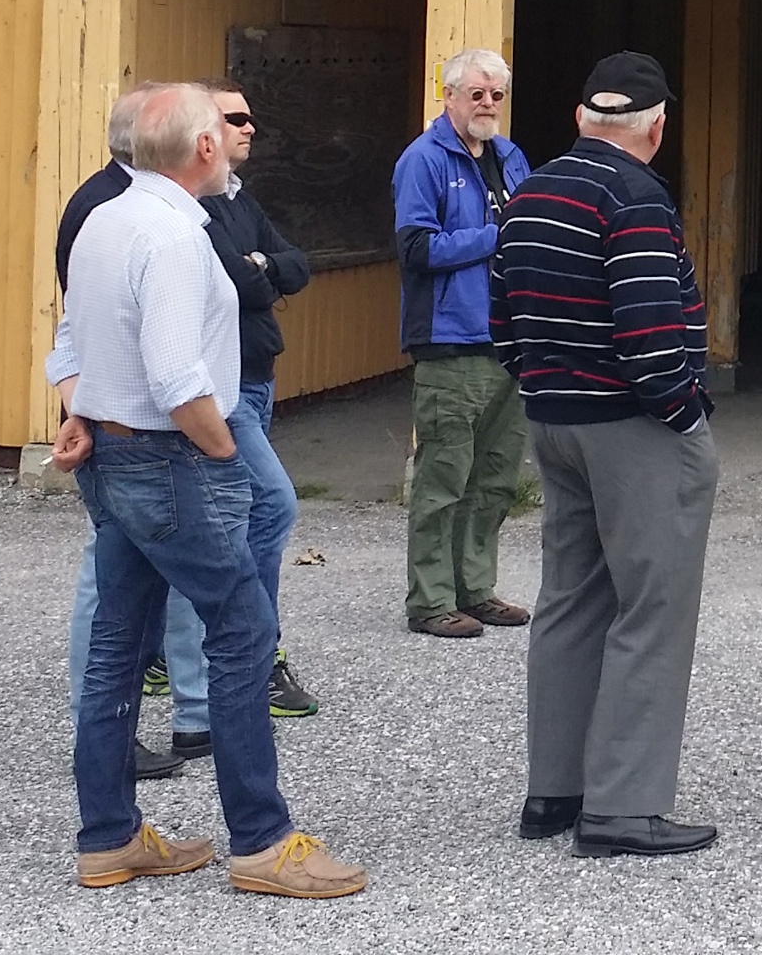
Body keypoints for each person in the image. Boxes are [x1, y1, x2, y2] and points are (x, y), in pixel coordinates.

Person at [51, 82, 365, 898]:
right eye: (223, 132)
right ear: (200, 148)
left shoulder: (104, 218)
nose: (234, 141)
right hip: (171, 458)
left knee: (119, 642)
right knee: (242, 630)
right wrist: (222, 449)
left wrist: (81, 408)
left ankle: (109, 837)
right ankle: (261, 841)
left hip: (113, 454)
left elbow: (72, 336)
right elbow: (174, 374)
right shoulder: (172, 236)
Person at [492, 51, 722, 860]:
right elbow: (649, 325)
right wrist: (683, 411)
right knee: (651, 611)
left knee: (570, 599)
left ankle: (553, 790)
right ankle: (624, 806)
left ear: (581, 118)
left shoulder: (530, 191)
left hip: (553, 416)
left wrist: (543, 386)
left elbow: (501, 317)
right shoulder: (634, 196)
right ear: (657, 127)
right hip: (632, 425)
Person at [52, 83, 192, 781]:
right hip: (125, 429)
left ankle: (130, 732)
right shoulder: (108, 209)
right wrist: (79, 409)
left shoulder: (151, 207)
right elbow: (77, 330)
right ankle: (103, 731)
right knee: (112, 585)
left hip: (126, 423)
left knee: (137, 581)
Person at [394, 48, 536, 640]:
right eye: (476, 93)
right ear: (449, 95)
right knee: (443, 478)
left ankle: (475, 588)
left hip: (507, 338)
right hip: (450, 342)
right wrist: (493, 236)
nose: (488, 104)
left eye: (496, 95)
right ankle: (431, 600)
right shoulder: (423, 159)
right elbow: (416, 249)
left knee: (496, 476)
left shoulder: (510, 156)